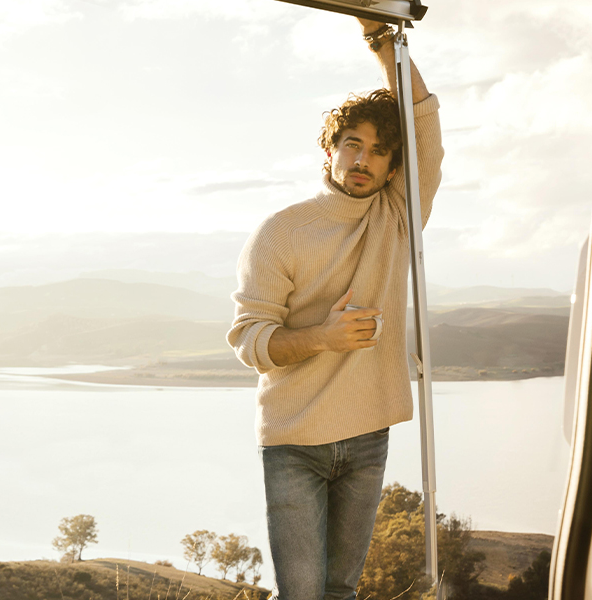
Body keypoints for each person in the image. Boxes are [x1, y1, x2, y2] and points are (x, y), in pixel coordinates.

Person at [226, 17, 442, 600]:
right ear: (330, 149)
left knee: (341, 591)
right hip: (294, 439)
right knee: (302, 594)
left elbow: (423, 124)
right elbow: (250, 341)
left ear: (396, 168)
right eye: (353, 144)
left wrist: (382, 42)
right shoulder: (281, 232)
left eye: (379, 152)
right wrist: (322, 336)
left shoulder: (397, 217)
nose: (364, 160)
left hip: (368, 432)